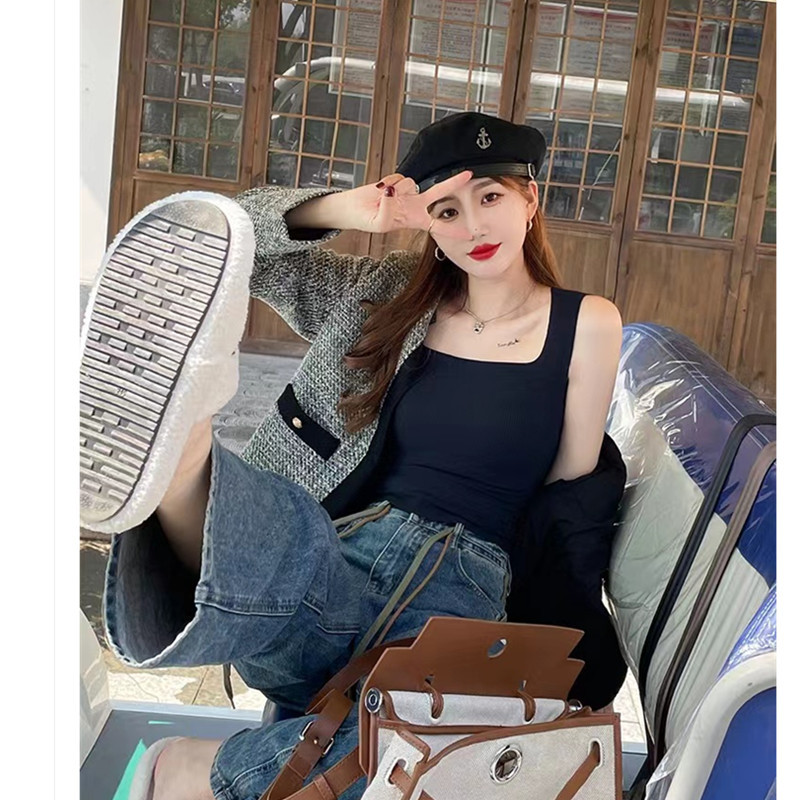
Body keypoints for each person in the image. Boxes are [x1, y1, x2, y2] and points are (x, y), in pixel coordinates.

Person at [79, 111, 623, 800]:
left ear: (529, 199)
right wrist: (349, 209)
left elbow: (569, 497)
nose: (473, 227)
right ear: (428, 225)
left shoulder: (587, 323)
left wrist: (556, 644)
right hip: (347, 549)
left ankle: (190, 768)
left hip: (465, 589)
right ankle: (185, 465)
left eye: (490, 197)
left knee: (411, 749)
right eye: (446, 211)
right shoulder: (387, 296)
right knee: (277, 557)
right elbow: (235, 242)